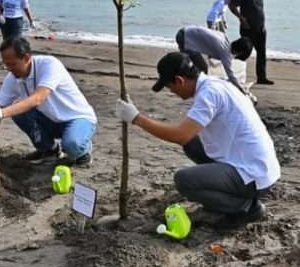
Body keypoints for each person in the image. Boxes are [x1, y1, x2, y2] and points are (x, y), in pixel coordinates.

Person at [116, 52, 280, 230]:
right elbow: (187, 137)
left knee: (184, 180)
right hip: (258, 164)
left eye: (170, 86)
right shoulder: (216, 84)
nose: (171, 91)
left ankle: (246, 208)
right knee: (192, 144)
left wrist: (137, 119)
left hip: (254, 175)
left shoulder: (208, 95)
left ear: (180, 80)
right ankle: (224, 196)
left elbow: (180, 135)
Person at [0, 36, 97, 166]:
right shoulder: (11, 78)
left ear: (26, 58)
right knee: (19, 113)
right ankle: (49, 150)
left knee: (71, 145)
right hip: (50, 119)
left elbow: (38, 98)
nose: (8, 68)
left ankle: (84, 149)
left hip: (77, 118)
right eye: (5, 64)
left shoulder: (50, 65)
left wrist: (2, 112)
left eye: (11, 64)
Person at [175, 25, 254, 98]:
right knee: (202, 70)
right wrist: (241, 89)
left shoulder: (225, 39)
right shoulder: (224, 52)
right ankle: (189, 87)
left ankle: (184, 82)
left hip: (184, 32)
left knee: (195, 66)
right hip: (185, 38)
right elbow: (230, 74)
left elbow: (210, 46)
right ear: (238, 51)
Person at [229, 0, 272, 85]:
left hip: (260, 29)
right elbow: (232, 5)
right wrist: (241, 18)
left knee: (261, 53)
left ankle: (261, 77)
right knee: (246, 51)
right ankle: (232, 70)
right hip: (248, 29)